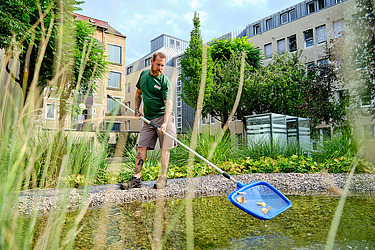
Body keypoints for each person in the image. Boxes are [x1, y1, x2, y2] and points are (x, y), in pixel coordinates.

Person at [120, 52, 177, 190]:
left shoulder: (164, 81)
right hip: (148, 119)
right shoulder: (144, 75)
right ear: (151, 62)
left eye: (162, 65)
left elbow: (168, 103)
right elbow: (139, 93)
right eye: (158, 64)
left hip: (164, 117)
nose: (160, 68)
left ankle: (162, 178)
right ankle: (136, 178)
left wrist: (164, 123)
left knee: (165, 148)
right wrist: (136, 109)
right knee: (142, 146)